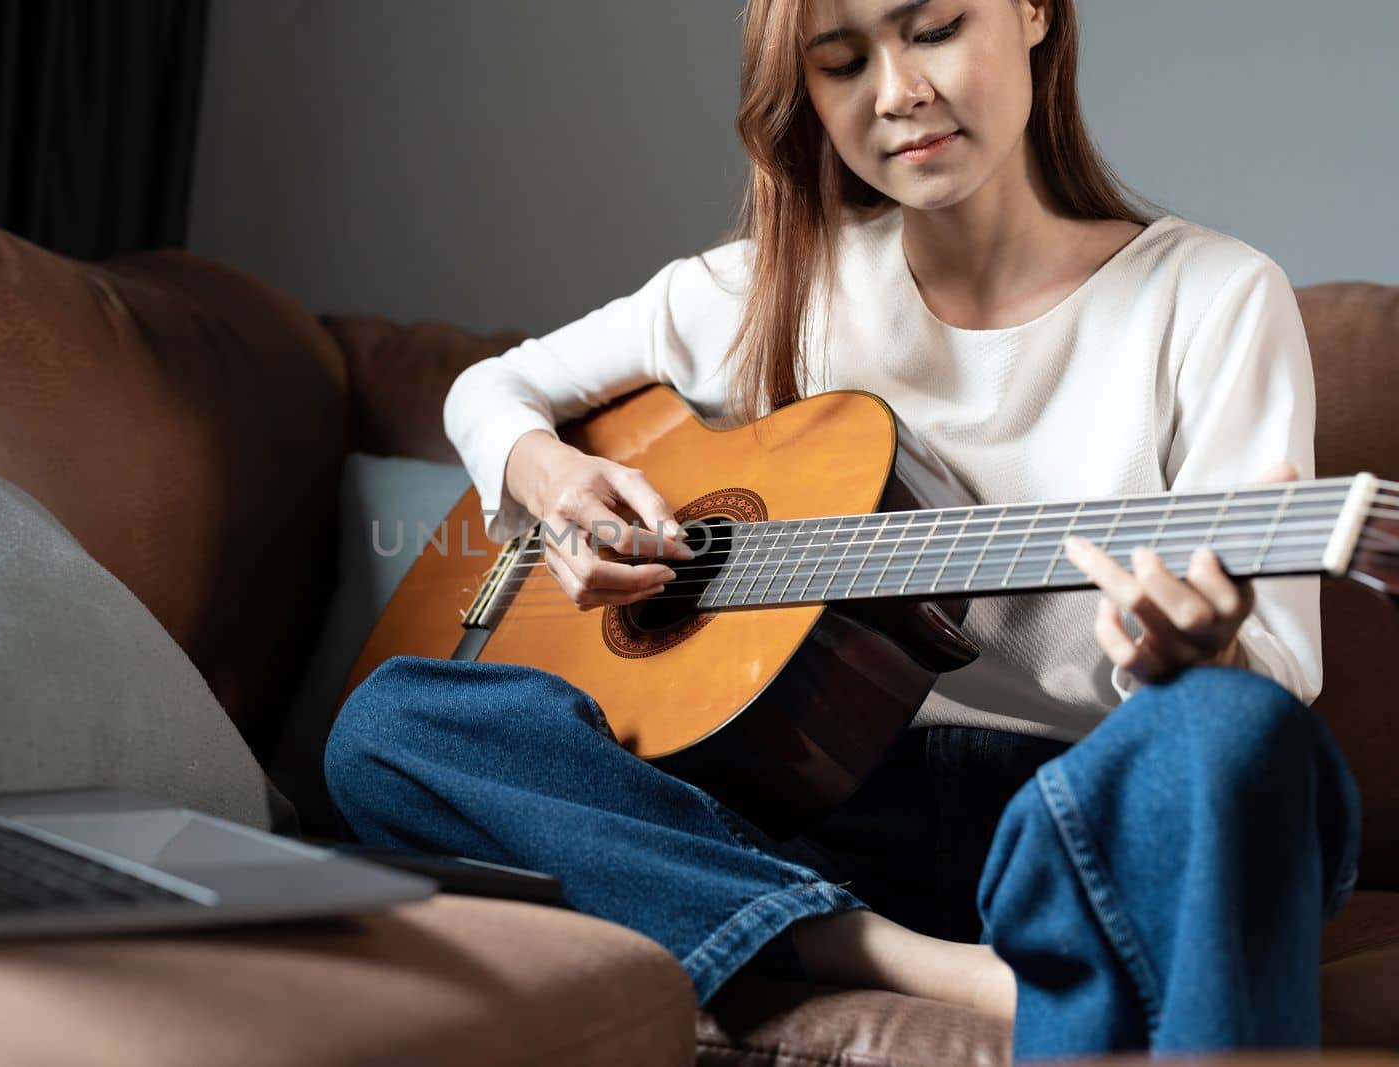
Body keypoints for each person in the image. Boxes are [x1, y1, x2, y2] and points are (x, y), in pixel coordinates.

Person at [324, 0, 1361, 1056]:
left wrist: (1195, 655)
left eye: (936, 27)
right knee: (388, 726)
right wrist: (549, 477)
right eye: (839, 60)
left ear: (1035, 13)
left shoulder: (1212, 297)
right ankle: (913, 958)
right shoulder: (771, 285)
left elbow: (1270, 673)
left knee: (1239, 735)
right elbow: (490, 392)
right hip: (799, 816)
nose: (896, 90)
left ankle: (993, 941)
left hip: (1067, 811)